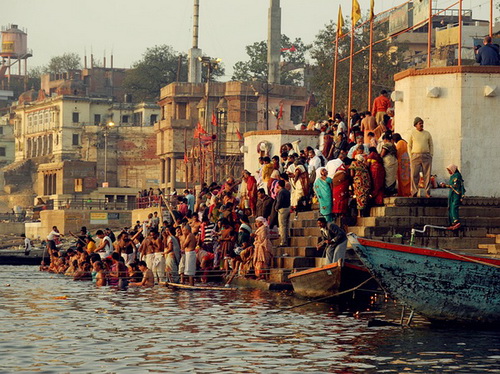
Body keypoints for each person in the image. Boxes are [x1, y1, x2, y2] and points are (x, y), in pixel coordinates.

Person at [408, 117, 433, 197]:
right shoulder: (412, 133)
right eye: (420, 123)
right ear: (415, 125)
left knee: (427, 175)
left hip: (426, 155)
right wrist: (410, 156)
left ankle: (427, 192)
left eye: (422, 123)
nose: (421, 125)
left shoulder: (427, 133)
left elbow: (431, 144)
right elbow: (409, 145)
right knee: (414, 175)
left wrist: (431, 154)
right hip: (415, 156)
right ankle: (414, 192)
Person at [441, 164, 466, 230]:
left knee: (454, 207)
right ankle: (452, 222)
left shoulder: (457, 175)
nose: (449, 172)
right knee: (450, 207)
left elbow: (455, 185)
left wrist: (446, 185)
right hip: (452, 194)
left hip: (456, 194)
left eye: (449, 170)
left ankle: (456, 222)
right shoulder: (452, 176)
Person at [274, 180, 291, 247]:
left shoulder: (281, 192)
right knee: (286, 225)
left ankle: (283, 241)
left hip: (282, 209)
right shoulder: (287, 191)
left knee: (282, 226)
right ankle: (286, 239)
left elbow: (279, 201)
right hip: (288, 208)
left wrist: (276, 207)